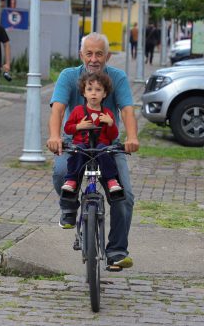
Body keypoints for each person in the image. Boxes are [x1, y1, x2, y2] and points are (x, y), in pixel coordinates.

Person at [47, 32, 140, 271]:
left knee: (124, 196)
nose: (94, 58)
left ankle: (117, 251)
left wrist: (132, 137)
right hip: (75, 142)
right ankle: (69, 208)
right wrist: (55, 137)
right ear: (81, 55)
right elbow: (57, 110)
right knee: (60, 173)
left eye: (99, 53)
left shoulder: (117, 78)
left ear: (107, 56)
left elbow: (127, 111)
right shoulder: (69, 76)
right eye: (89, 53)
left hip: (108, 145)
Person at [61, 71, 123, 194]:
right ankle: (72, 180)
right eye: (89, 89)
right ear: (84, 93)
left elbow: (112, 136)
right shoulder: (78, 110)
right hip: (83, 146)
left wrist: (110, 124)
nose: (93, 93)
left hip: (100, 148)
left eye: (98, 89)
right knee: (77, 150)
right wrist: (78, 126)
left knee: (105, 150)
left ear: (104, 94)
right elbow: (67, 128)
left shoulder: (107, 113)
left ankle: (111, 180)